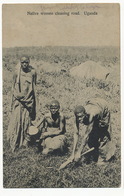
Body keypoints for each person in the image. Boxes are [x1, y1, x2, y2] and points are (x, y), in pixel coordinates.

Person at [69, 97, 115, 164]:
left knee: (102, 131)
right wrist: (73, 153)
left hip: (103, 107)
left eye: (81, 117)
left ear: (85, 114)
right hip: (93, 103)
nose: (79, 119)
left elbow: (86, 135)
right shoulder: (78, 115)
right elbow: (76, 133)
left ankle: (103, 158)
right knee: (93, 133)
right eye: (78, 117)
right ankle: (95, 152)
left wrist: (79, 152)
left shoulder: (91, 115)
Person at [7, 56, 37, 152]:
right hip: (18, 101)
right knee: (17, 120)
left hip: (29, 101)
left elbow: (34, 87)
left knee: (26, 121)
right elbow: (13, 87)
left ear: (29, 62)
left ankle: (26, 141)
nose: (25, 64)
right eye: (23, 62)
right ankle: (15, 141)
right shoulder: (17, 72)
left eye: (26, 62)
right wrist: (13, 101)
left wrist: (33, 102)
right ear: (20, 62)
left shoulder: (33, 72)